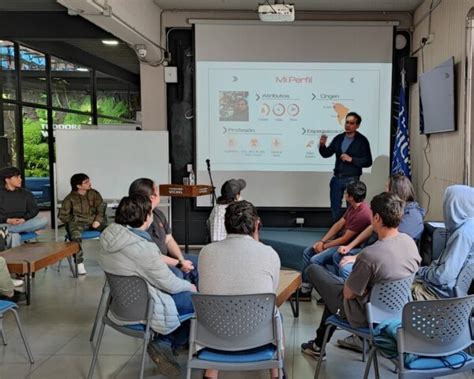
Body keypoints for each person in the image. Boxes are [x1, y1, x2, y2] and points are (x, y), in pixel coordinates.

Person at [300, 192, 420, 360]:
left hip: (365, 315)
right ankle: (318, 345)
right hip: (396, 310)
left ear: (377, 218)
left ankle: (318, 346)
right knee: (336, 290)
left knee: (314, 269)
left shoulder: (370, 255)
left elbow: (349, 294)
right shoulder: (409, 243)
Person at [99, 194, 196, 378]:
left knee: (187, 297)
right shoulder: (143, 248)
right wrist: (189, 287)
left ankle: (167, 343)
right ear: (147, 217)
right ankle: (167, 343)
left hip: (119, 306)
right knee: (198, 302)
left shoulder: (108, 237)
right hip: (144, 309)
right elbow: (169, 284)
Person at [199, 200, 281, 379]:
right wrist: (256, 239)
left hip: (214, 333)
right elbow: (271, 294)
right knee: (276, 314)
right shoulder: (269, 253)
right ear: (256, 225)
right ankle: (276, 373)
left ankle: (211, 373)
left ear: (226, 224)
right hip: (257, 333)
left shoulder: (205, 252)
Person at [334, 173, 425, 280]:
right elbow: (372, 226)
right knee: (338, 256)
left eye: (387, 188)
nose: (384, 190)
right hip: (373, 249)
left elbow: (389, 246)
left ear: (395, 192)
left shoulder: (411, 216)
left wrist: (357, 257)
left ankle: (355, 293)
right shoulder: (391, 208)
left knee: (345, 267)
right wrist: (350, 246)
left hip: (387, 259)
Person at [299, 181, 372, 300]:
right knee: (308, 251)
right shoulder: (353, 207)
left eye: (346, 193)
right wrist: (322, 241)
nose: (344, 195)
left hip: (348, 246)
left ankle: (329, 293)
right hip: (341, 242)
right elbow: (339, 224)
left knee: (315, 260)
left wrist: (324, 246)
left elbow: (345, 239)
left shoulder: (362, 214)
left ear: (351, 197)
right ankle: (305, 290)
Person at [129, 178, 198, 285]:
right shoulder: (136, 220)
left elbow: (169, 239)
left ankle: (200, 298)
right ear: (152, 197)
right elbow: (150, 255)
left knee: (199, 262)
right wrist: (179, 264)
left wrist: (181, 259)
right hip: (153, 263)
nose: (159, 192)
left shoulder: (158, 214)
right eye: (157, 190)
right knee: (177, 275)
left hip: (169, 258)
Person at [413, 184, 474, 300]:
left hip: (440, 294)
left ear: (454, 206)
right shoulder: (471, 226)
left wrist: (422, 272)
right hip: (457, 292)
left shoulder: (462, 234)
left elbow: (444, 276)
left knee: (396, 292)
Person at [319, 112, 372, 221]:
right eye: (347, 122)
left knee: (352, 207)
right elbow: (326, 154)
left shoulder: (362, 141)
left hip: (352, 179)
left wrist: (351, 159)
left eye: (351, 123)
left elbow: (368, 161)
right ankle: (336, 230)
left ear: (357, 126)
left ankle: (350, 231)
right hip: (337, 178)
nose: (348, 125)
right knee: (335, 207)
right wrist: (322, 145)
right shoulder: (339, 138)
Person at [58, 173, 107, 275]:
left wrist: (97, 220)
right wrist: (75, 220)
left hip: (94, 222)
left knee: (112, 231)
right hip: (78, 224)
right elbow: (62, 215)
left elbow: (101, 208)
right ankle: (79, 263)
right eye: (86, 182)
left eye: (89, 181)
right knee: (75, 236)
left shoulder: (94, 193)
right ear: (78, 186)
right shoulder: (69, 199)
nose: (90, 183)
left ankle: (114, 259)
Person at [0, 166, 48, 247]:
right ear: (7, 179)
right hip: (4, 223)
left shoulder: (26, 193)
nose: (20, 179)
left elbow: (34, 210)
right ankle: (12, 232)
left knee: (43, 220)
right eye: (16, 177)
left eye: (20, 177)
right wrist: (7, 220)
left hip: (23, 223)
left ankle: (7, 232)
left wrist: (24, 219)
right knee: (15, 236)